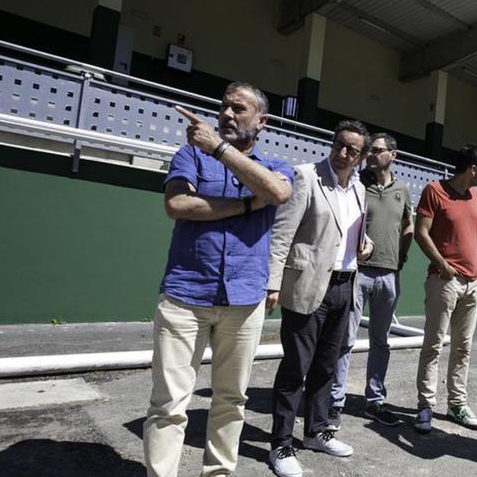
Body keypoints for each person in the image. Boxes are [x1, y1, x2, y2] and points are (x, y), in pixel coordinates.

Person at [143, 82, 293, 477]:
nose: (226, 114)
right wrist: (246, 204)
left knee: (230, 399)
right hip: (185, 295)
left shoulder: (276, 166)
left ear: (261, 121)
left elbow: (277, 193)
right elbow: (178, 204)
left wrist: (220, 151)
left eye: (238, 109)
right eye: (223, 106)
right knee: (169, 403)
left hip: (244, 300)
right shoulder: (190, 154)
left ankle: (219, 473)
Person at [266, 119, 374, 477]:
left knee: (327, 366)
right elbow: (282, 234)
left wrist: (366, 245)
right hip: (309, 284)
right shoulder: (306, 176)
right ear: (333, 143)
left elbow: (350, 235)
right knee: (295, 368)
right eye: (341, 145)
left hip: (346, 285)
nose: (345, 153)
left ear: (362, 156)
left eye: (353, 150)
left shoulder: (359, 189)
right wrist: (272, 282)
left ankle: (315, 432)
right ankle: (281, 444)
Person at [328, 132, 414, 429]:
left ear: (393, 154)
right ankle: (335, 403)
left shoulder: (403, 189)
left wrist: (401, 258)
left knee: (381, 341)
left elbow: (408, 226)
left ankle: (375, 402)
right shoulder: (357, 183)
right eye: (370, 151)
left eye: (377, 150)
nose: (371, 155)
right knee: (345, 340)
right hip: (358, 273)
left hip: (390, 275)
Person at [412, 144, 477, 434]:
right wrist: (442, 264)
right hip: (443, 281)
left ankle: (457, 404)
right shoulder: (434, 191)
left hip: (472, 284)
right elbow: (421, 233)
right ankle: (425, 406)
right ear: (472, 169)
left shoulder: (475, 196)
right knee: (433, 345)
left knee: (463, 348)